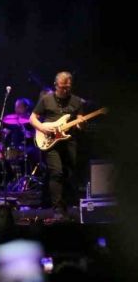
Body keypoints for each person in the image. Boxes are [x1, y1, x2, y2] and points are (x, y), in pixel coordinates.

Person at [29, 71, 85, 219]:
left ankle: (68, 205)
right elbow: (32, 118)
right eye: (62, 87)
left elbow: (79, 122)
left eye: (68, 87)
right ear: (55, 85)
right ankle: (57, 208)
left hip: (69, 141)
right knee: (56, 172)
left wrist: (81, 124)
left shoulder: (77, 101)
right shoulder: (46, 99)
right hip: (50, 141)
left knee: (68, 173)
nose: (65, 90)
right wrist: (42, 128)